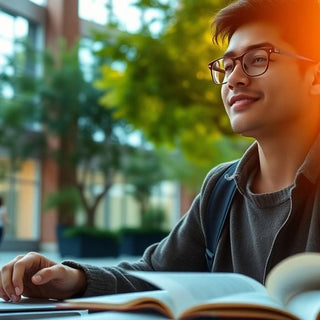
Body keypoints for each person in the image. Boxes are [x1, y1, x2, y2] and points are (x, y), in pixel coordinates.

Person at [1, 0, 320, 303]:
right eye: (228, 66)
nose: (234, 79)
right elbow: (155, 274)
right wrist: (73, 278)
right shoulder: (220, 189)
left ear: (315, 77)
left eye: (258, 59)